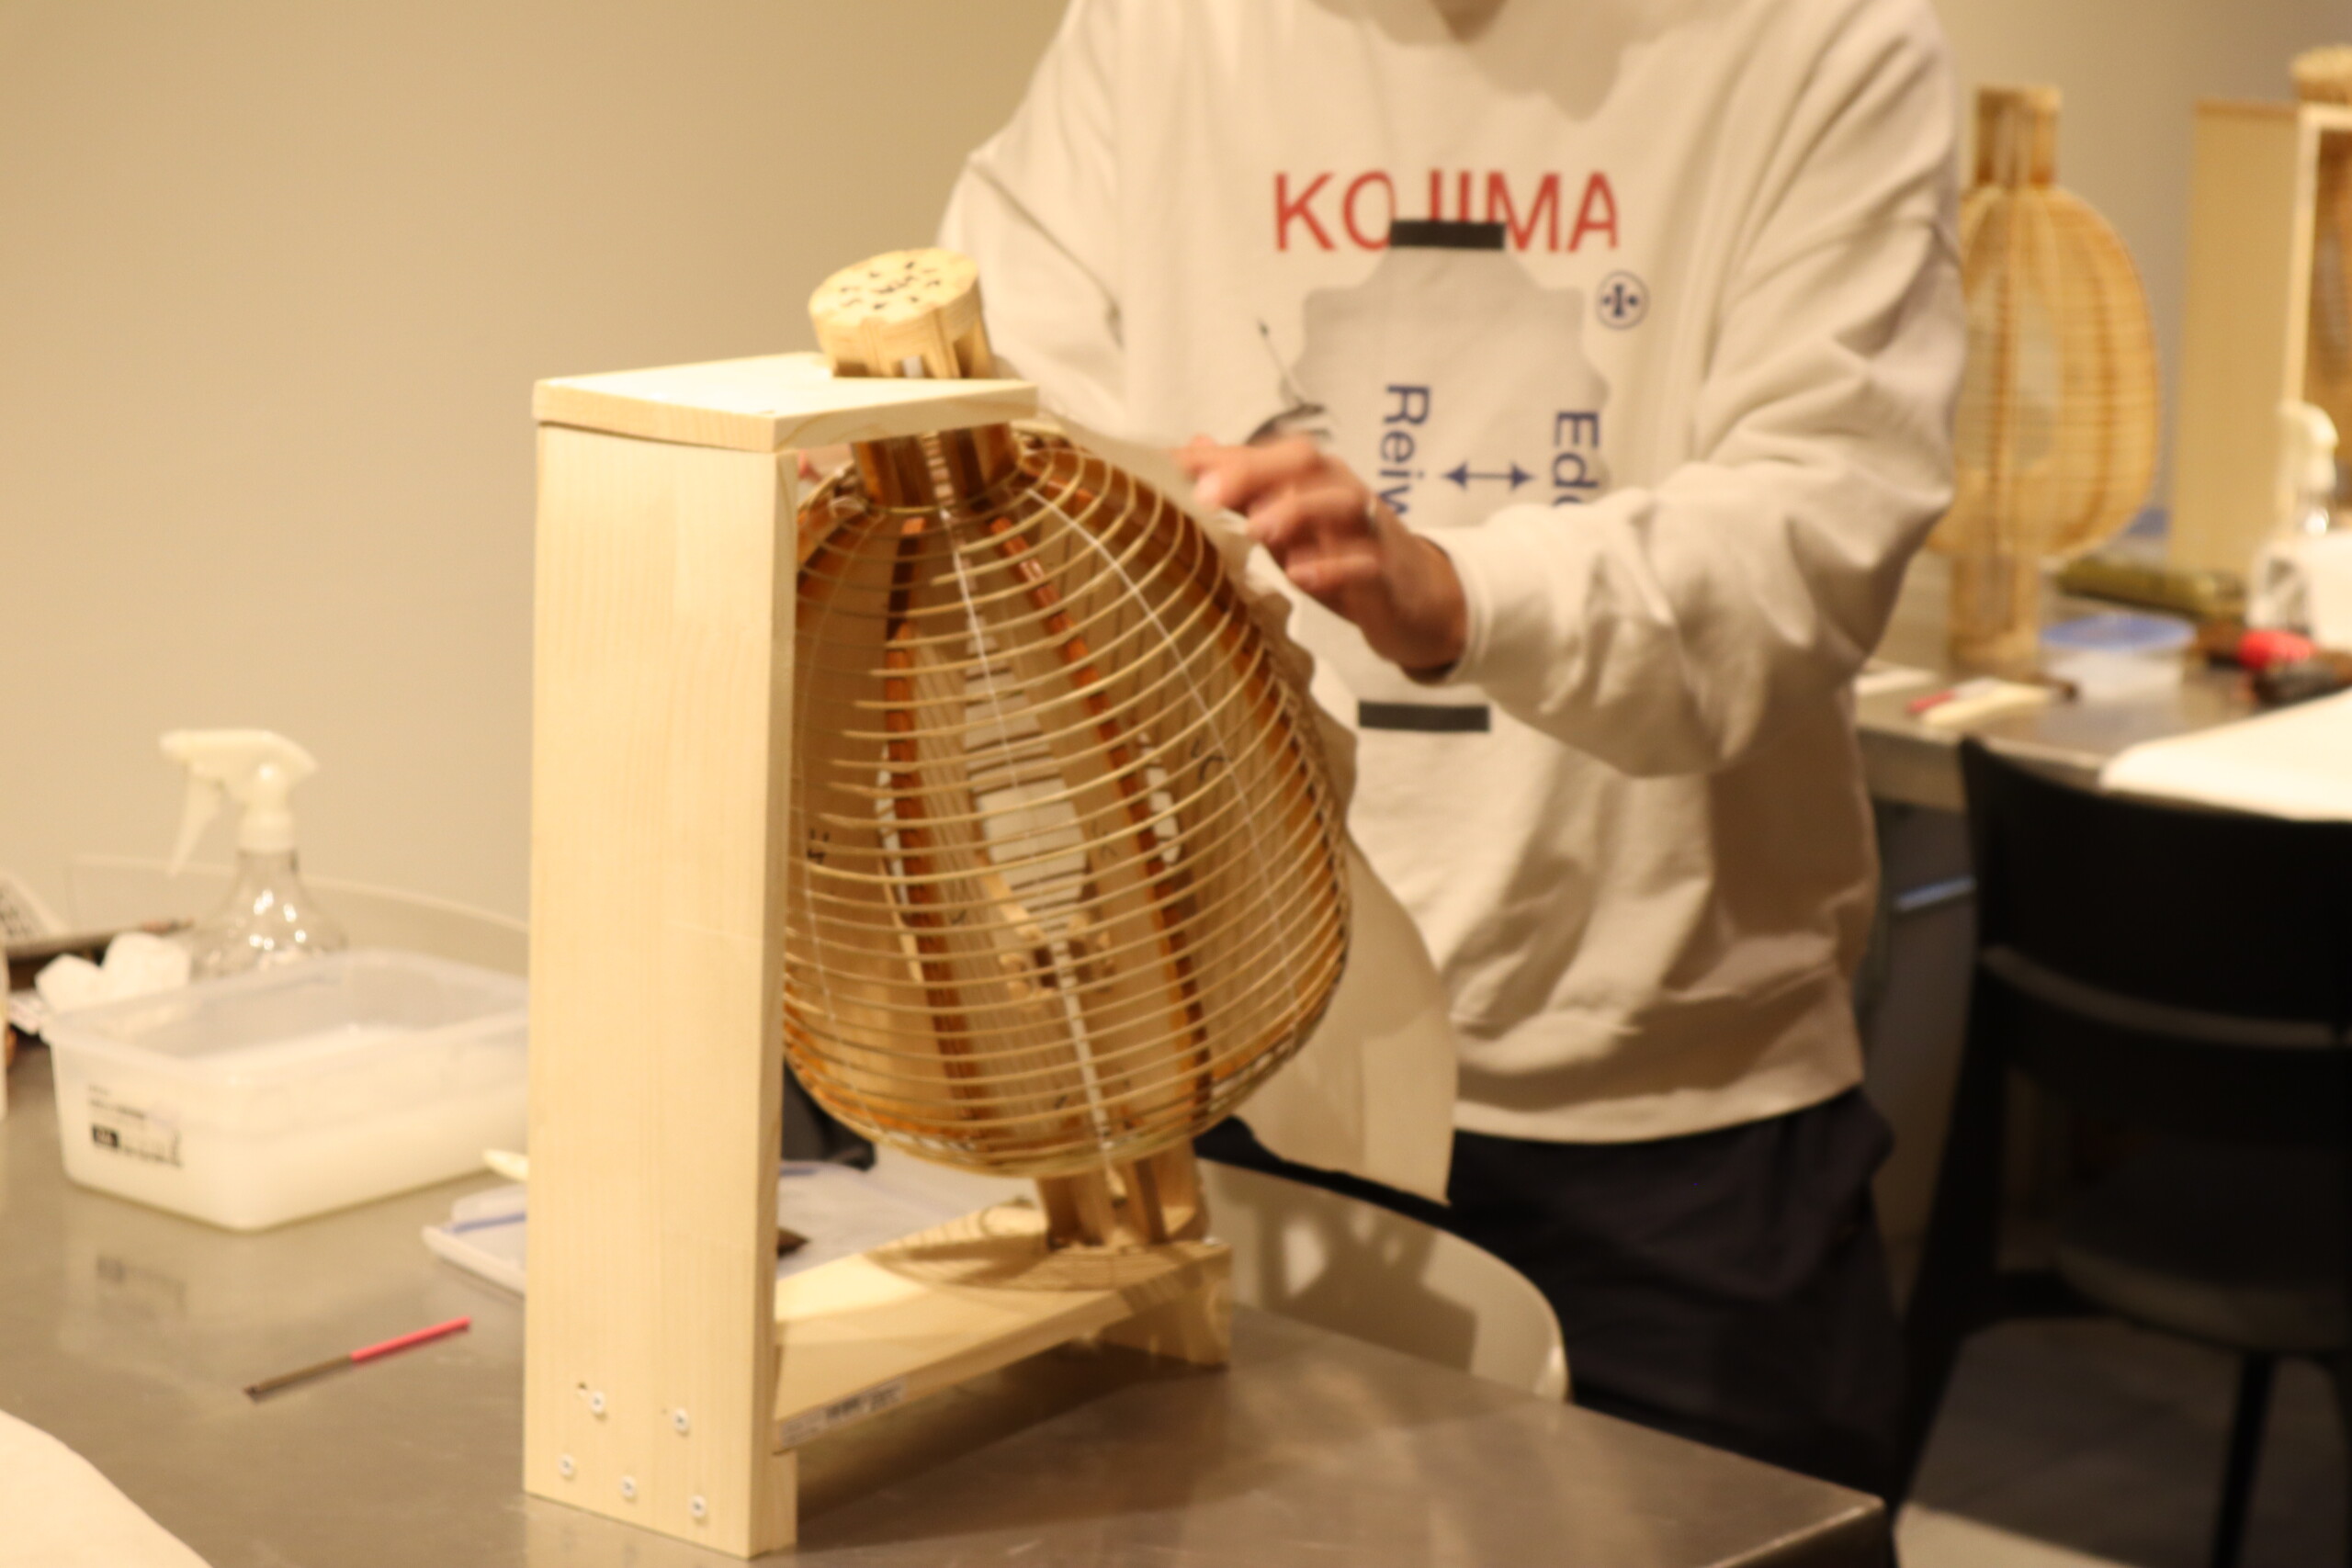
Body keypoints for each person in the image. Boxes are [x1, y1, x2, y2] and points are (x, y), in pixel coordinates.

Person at [939, 0, 1963, 1505]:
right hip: (1251, 1068)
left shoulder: (1822, 38)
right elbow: (1010, 410)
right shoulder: (1165, 31)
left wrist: (1455, 591)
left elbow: (1810, 534)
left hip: (1664, 1110)